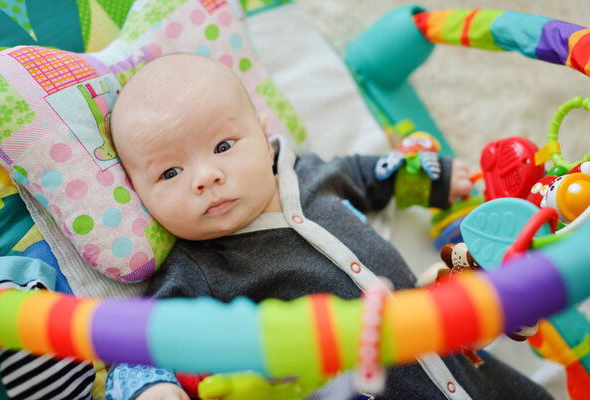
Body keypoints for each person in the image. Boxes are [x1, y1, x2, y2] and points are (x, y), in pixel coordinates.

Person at [104, 53, 551, 400]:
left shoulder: (312, 173)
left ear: (263, 134)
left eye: (223, 145)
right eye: (169, 174)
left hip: (459, 362)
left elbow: (371, 174)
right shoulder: (197, 268)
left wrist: (431, 180)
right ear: (137, 193)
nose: (205, 177)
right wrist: (149, 387)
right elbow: (141, 338)